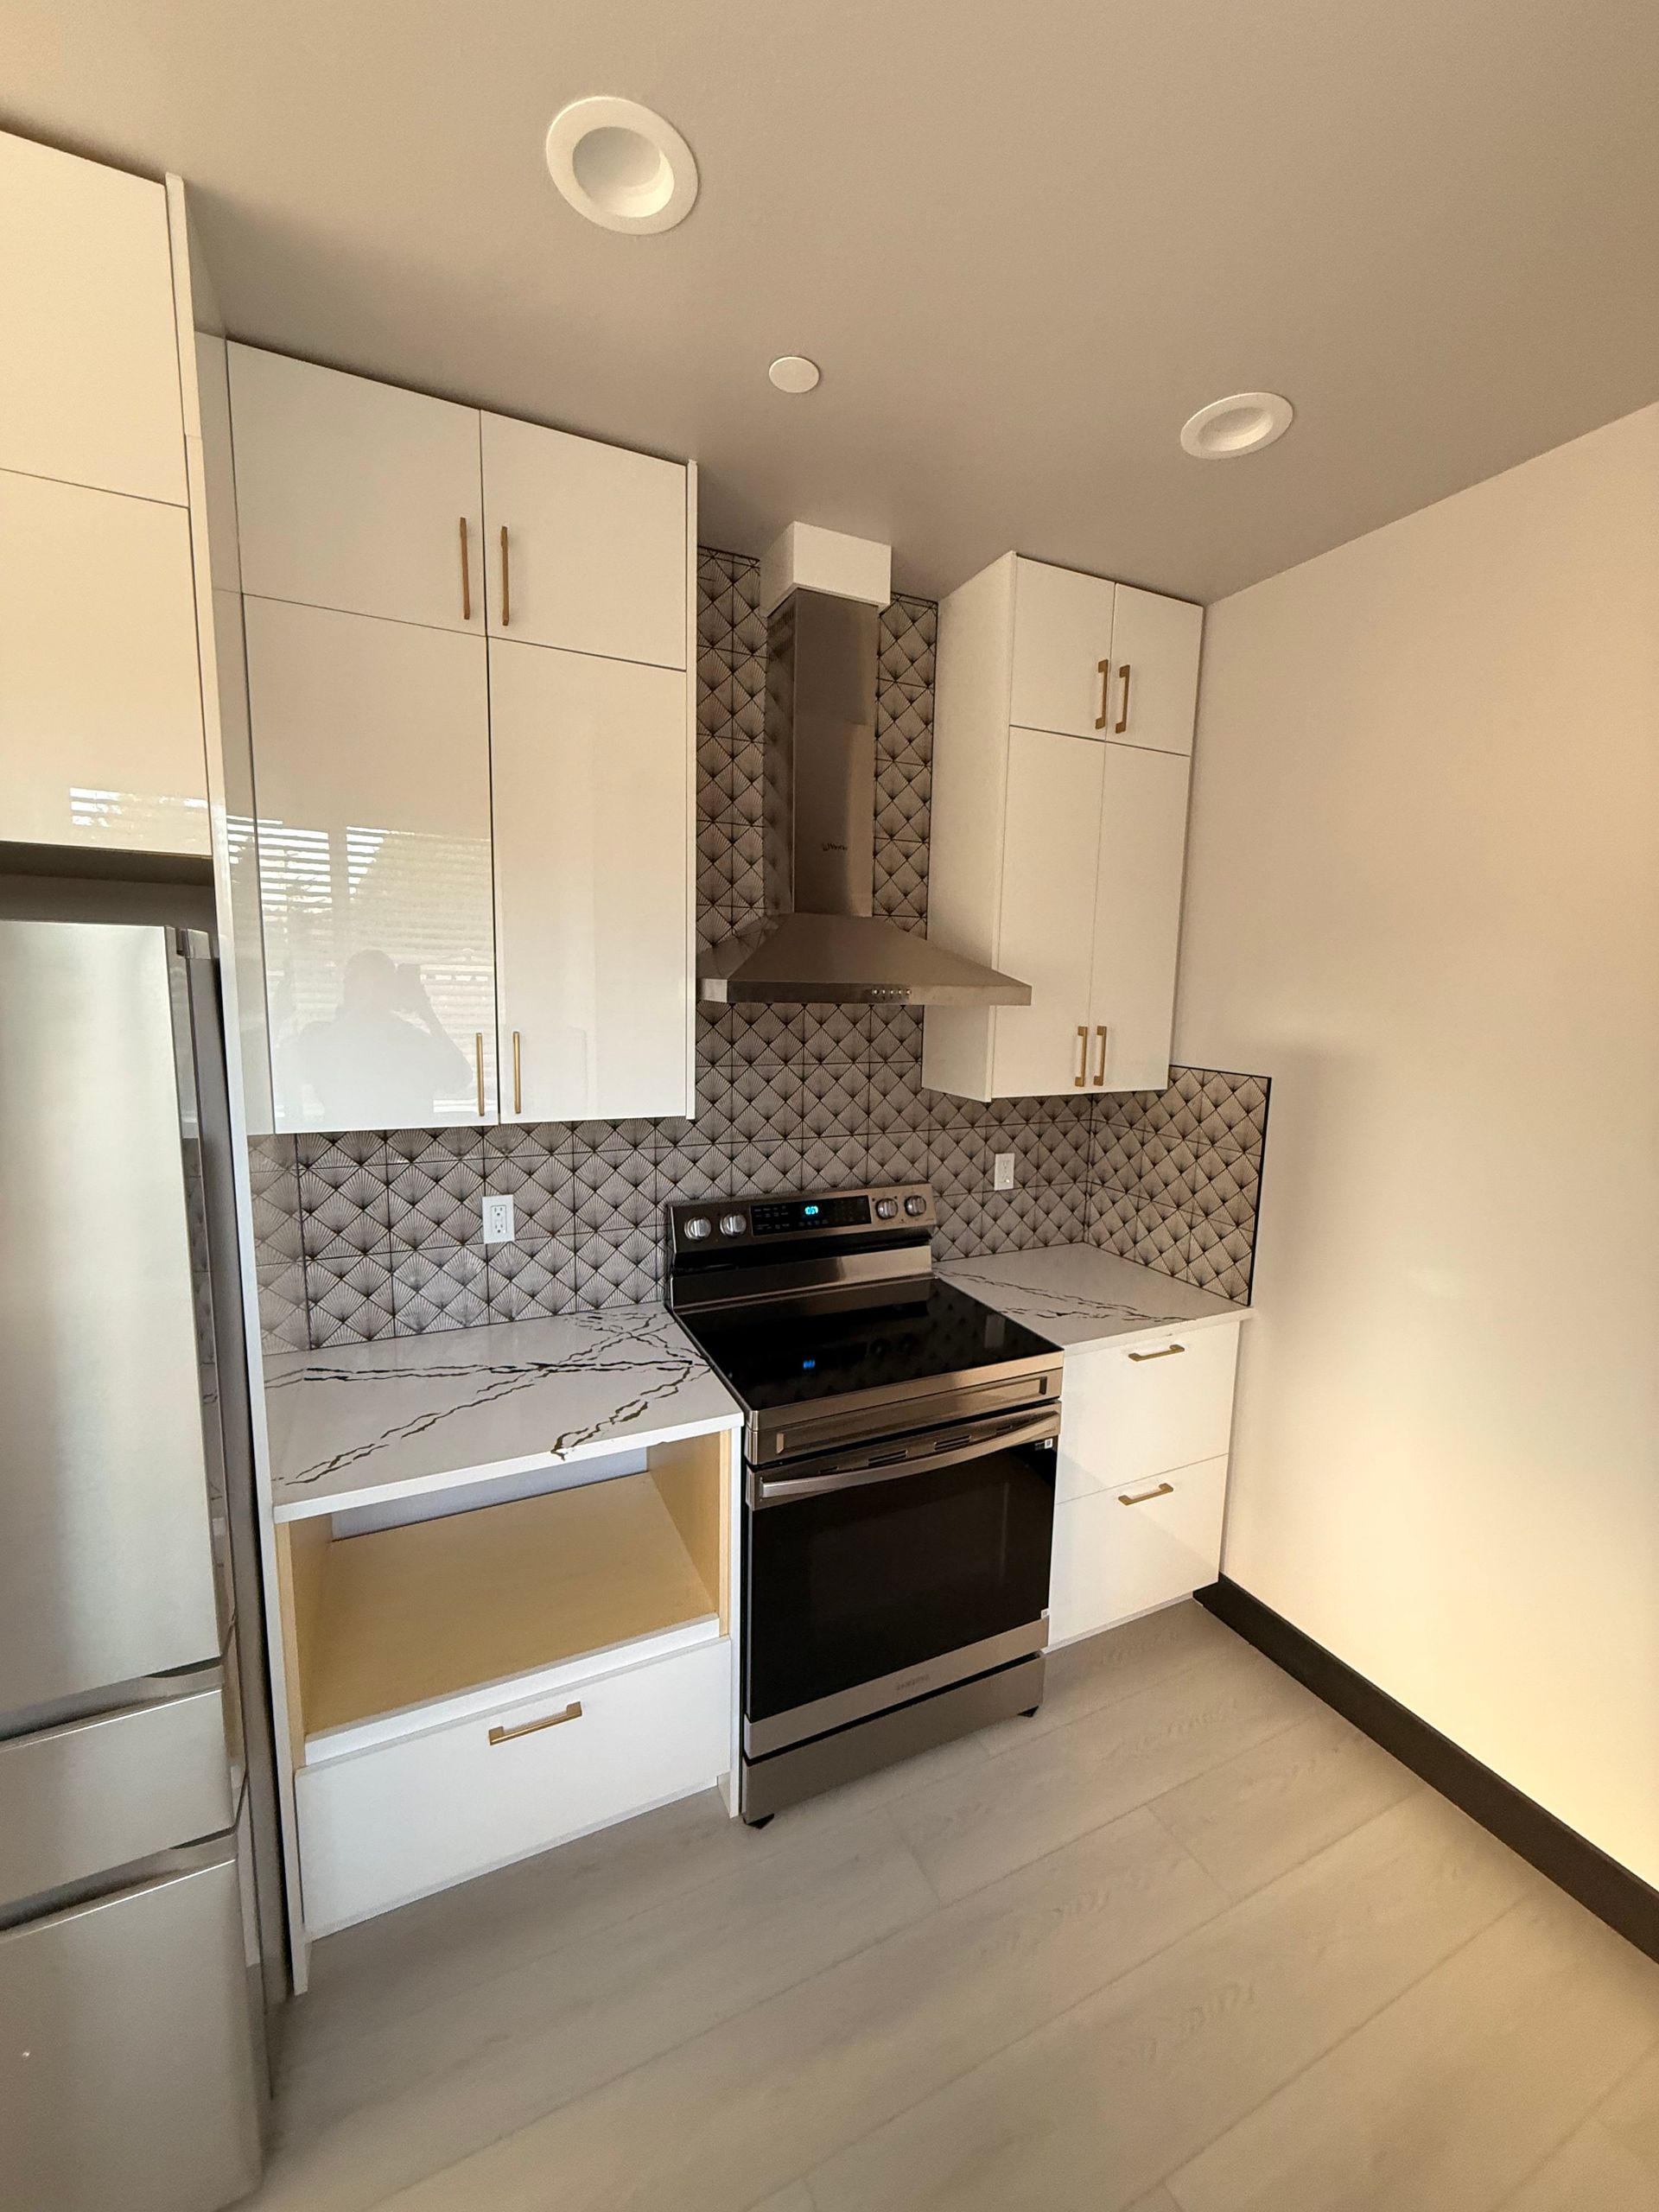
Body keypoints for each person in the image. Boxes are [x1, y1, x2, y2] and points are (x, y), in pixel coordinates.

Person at [276, 949, 474, 1125]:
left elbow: (458, 1078)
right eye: (365, 981)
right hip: (349, 1153)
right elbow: (310, 1065)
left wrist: (427, 1013)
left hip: (411, 1152)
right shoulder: (320, 1033)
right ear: (348, 985)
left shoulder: (410, 1038)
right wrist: (362, 1006)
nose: (376, 990)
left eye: (383, 982)